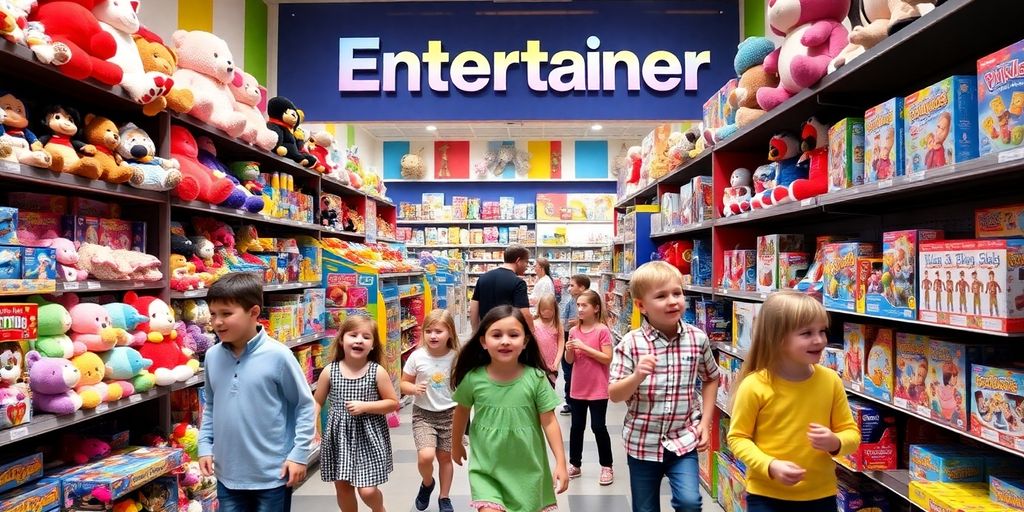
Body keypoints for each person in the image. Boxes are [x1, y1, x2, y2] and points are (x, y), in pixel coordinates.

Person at [727, 291, 860, 512]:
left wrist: (836, 442)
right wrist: (770, 465)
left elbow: (851, 434)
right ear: (777, 338)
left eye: (822, 331)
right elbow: (738, 438)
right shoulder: (755, 386)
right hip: (766, 496)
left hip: (820, 496)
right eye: (807, 333)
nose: (819, 340)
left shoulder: (830, 381)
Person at [198, 272, 316, 512]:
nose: (217, 322)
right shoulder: (212, 357)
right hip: (227, 474)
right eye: (213, 314)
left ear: (253, 312)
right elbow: (211, 405)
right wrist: (204, 445)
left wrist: (299, 454)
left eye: (226, 314)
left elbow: (304, 405)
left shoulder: (279, 356)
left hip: (273, 474)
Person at [608, 261, 719, 512]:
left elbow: (711, 377)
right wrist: (637, 376)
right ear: (641, 305)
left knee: (690, 502)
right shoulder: (631, 344)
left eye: (677, 293)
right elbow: (614, 394)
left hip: (684, 439)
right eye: (661, 296)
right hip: (642, 443)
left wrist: (705, 422)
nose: (672, 301)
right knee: (645, 508)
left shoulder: (697, 339)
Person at [451, 305, 569, 512]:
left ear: (525, 342)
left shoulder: (536, 379)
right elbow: (461, 412)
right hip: (486, 469)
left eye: (513, 335)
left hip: (528, 470)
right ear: (483, 341)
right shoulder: (473, 379)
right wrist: (456, 443)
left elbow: (549, 422)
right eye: (496, 335)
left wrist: (561, 462)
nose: (505, 341)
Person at [313, 315, 399, 512]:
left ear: (373, 345)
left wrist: (365, 406)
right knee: (343, 487)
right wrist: (312, 426)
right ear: (341, 340)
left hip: (368, 437)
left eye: (366, 337)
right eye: (353, 335)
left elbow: (392, 403)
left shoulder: (377, 371)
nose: (359, 340)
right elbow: (317, 401)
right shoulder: (330, 371)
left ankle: (379, 508)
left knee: (367, 491)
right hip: (339, 438)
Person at [400, 310, 460, 512]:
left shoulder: (456, 357)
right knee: (425, 457)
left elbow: (464, 385)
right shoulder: (417, 357)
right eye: (429, 331)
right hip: (423, 414)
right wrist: (413, 388)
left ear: (450, 333)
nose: (433, 336)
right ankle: (427, 483)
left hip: (450, 414)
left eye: (439, 331)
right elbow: (403, 383)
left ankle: (444, 497)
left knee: (445, 458)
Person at [565, 290, 614, 485]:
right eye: (578, 305)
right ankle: (575, 464)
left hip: (598, 388)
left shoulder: (602, 330)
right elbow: (570, 360)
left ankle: (607, 466)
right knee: (576, 427)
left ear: (596, 308)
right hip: (578, 387)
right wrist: (569, 350)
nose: (579, 309)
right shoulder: (574, 331)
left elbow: (607, 358)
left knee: (598, 426)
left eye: (584, 305)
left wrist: (584, 347)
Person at [470, 244, 534, 332]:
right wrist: (532, 332)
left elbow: (474, 307)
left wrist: (475, 332)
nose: (527, 266)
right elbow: (524, 313)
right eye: (526, 262)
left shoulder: (483, 278)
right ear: (518, 261)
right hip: (507, 333)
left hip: (486, 332)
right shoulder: (518, 283)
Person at [559, 274, 590, 416]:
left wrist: (580, 322)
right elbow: (563, 319)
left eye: (572, 285)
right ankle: (570, 401)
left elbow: (599, 320)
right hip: (568, 336)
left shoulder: (592, 300)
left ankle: (582, 399)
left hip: (584, 339)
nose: (569, 288)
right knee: (568, 372)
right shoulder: (570, 301)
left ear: (582, 287)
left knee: (582, 371)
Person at [533, 294, 563, 388]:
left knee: (550, 388)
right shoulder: (534, 324)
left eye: (550, 310)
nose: (546, 313)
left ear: (555, 310)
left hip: (552, 365)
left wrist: (557, 361)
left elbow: (561, 344)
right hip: (536, 365)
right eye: (543, 310)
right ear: (539, 309)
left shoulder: (557, 324)